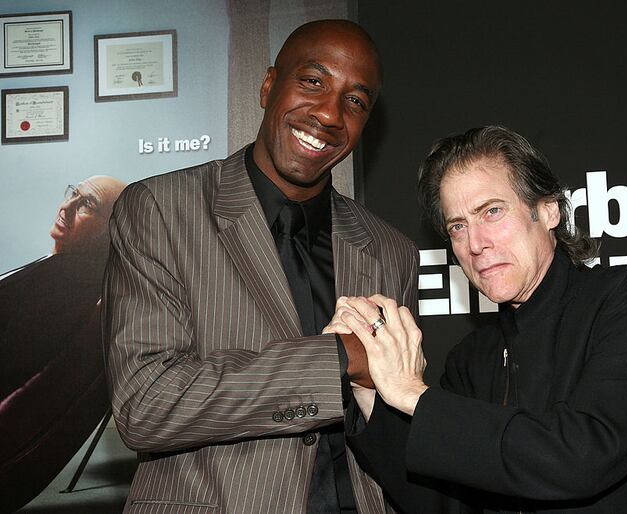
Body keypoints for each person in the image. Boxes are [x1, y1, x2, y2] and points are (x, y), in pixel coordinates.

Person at [335, 126, 627, 513]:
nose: (475, 244)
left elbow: (581, 457)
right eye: (458, 226)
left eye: (492, 211)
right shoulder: (473, 359)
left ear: (548, 211)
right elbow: (448, 504)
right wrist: (370, 387)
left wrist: (411, 393)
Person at [103, 20, 419, 514]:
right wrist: (338, 360)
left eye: (355, 102)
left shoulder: (390, 251)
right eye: (313, 82)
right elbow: (146, 403)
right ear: (269, 86)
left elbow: (399, 423)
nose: (330, 114)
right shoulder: (161, 210)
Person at [0, 175, 126, 512]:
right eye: (74, 193)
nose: (66, 206)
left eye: (87, 205)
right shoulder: (60, 277)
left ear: (111, 231)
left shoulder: (61, 291)